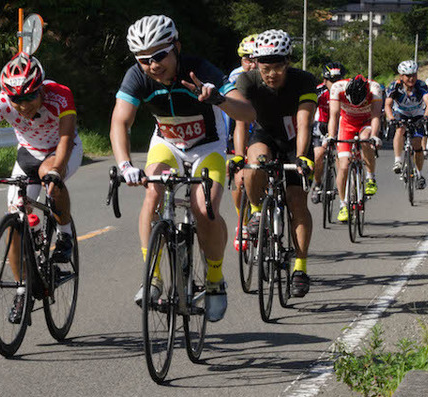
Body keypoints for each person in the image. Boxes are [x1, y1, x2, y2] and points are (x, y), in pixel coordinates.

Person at [109, 15, 256, 322]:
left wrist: (218, 98)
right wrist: (125, 164)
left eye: (160, 55)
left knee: (203, 209)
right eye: (143, 59)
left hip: (208, 147)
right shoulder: (137, 76)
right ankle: (153, 277)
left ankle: (215, 279)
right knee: (152, 195)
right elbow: (120, 121)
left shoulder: (200, 69)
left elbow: (247, 111)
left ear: (176, 47)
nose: (153, 65)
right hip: (168, 144)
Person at [0, 52, 83, 323]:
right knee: (14, 223)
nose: (22, 106)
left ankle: (65, 234)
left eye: (29, 98)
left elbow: (66, 138)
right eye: (16, 100)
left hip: (61, 148)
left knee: (49, 176)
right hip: (28, 153)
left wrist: (57, 170)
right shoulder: (0, 102)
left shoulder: (60, 95)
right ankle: (23, 288)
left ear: (40, 89)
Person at [234, 29, 316, 298]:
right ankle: (257, 211)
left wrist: (302, 155)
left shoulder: (304, 81)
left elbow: (304, 121)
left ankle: (300, 269)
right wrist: (237, 155)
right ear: (256, 64)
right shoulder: (247, 80)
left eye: (277, 67)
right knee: (254, 162)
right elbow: (241, 122)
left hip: (295, 140)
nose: (271, 74)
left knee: (297, 201)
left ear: (288, 62)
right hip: (265, 135)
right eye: (265, 68)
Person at [327, 74, 382, 222]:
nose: (356, 106)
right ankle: (343, 204)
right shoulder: (337, 88)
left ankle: (370, 178)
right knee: (343, 166)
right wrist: (331, 136)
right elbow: (334, 115)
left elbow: (376, 116)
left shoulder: (375, 89)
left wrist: (375, 136)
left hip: (366, 122)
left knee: (365, 140)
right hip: (346, 124)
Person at [227, 33, 258, 252]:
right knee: (239, 179)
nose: (252, 63)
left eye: (257, 58)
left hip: (265, 129)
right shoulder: (235, 77)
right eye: (247, 58)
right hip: (241, 129)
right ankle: (243, 222)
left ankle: (263, 212)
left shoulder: (271, 74)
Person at [384, 60, 428, 190]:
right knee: (400, 130)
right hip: (401, 113)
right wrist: (391, 118)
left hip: (417, 114)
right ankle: (398, 161)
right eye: (408, 75)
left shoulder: (421, 85)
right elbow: (388, 105)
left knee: (417, 144)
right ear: (401, 76)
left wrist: (426, 117)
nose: (411, 78)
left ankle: (419, 174)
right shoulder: (395, 86)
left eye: (414, 75)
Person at [310, 62, 347, 205]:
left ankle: (341, 189)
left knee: (341, 159)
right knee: (318, 155)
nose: (336, 84)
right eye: (332, 81)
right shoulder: (318, 91)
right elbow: (310, 110)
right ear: (325, 80)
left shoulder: (347, 91)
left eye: (338, 80)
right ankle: (318, 184)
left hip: (340, 125)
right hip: (322, 125)